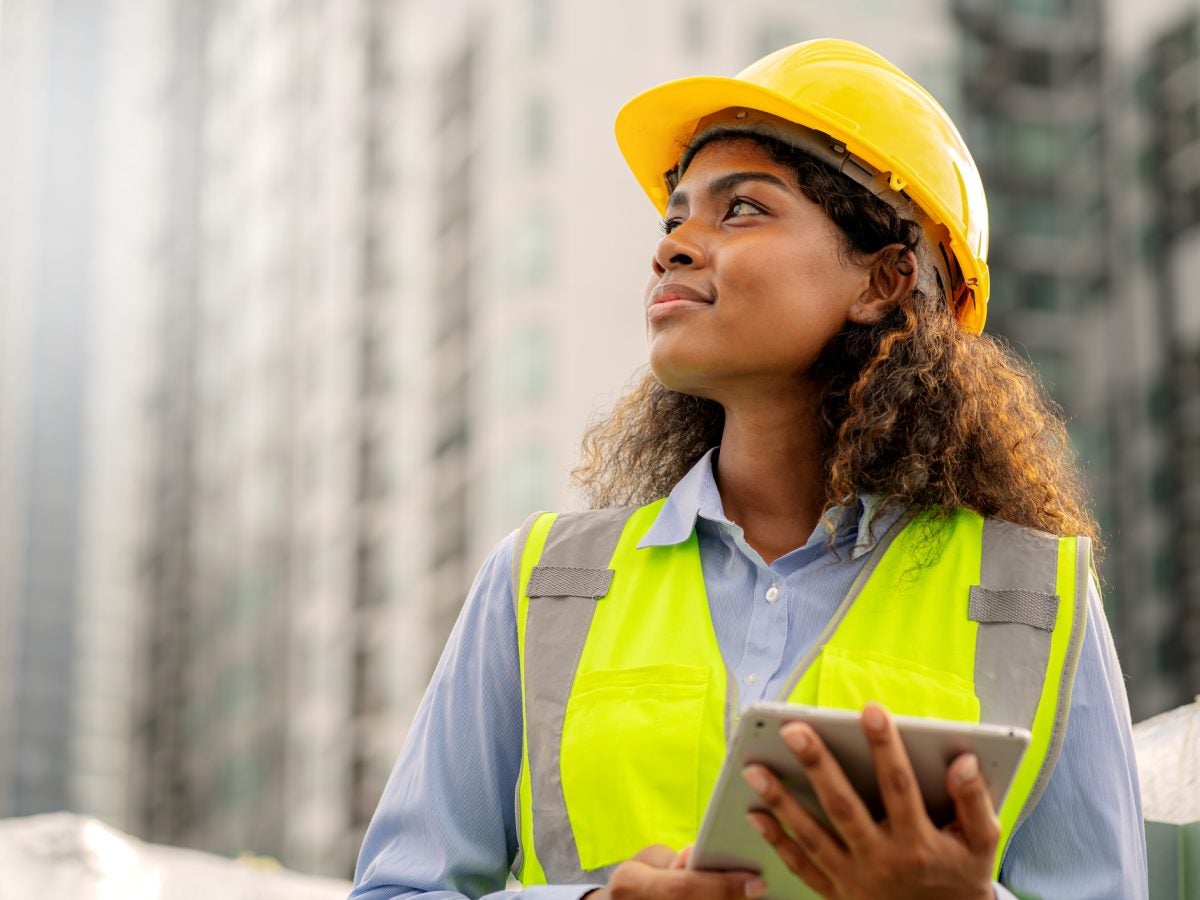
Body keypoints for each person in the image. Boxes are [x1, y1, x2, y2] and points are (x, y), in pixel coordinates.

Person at [350, 39, 1147, 900]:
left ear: (883, 280)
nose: (674, 248)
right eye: (674, 218)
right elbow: (399, 888)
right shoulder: (543, 584)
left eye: (741, 211)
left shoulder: (1039, 600)